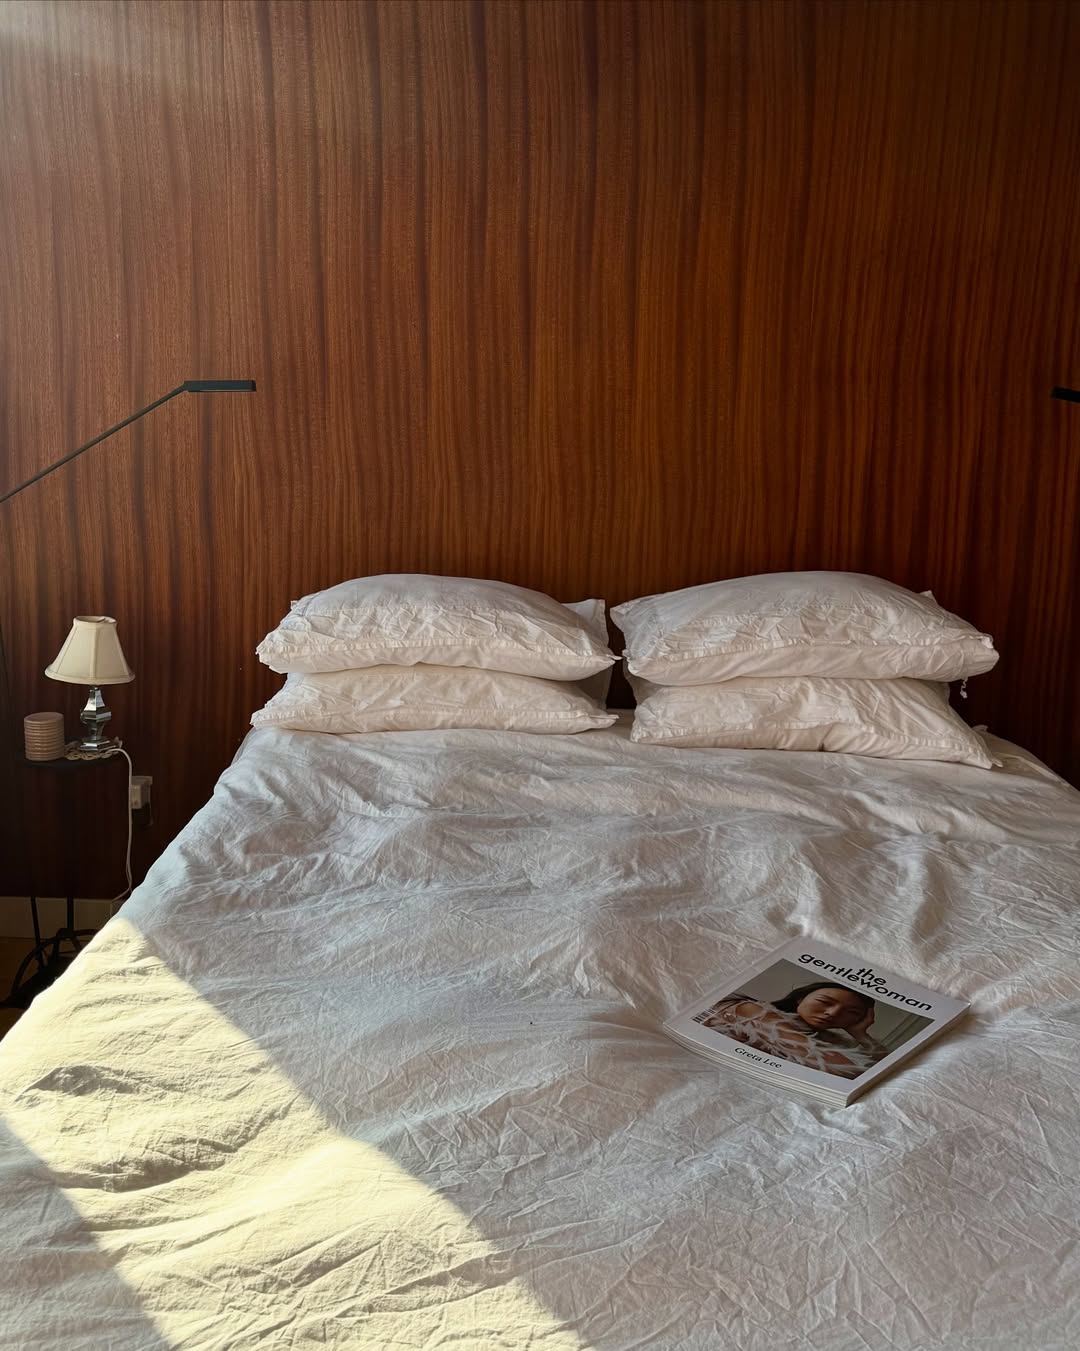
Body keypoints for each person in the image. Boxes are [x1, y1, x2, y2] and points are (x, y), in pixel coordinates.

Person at [695, 981, 890, 1079]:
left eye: (852, 1012)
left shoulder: (827, 1038)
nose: (832, 1013)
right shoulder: (751, 1010)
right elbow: (849, 1071)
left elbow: (878, 1072)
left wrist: (860, 1034)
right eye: (824, 1002)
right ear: (800, 998)